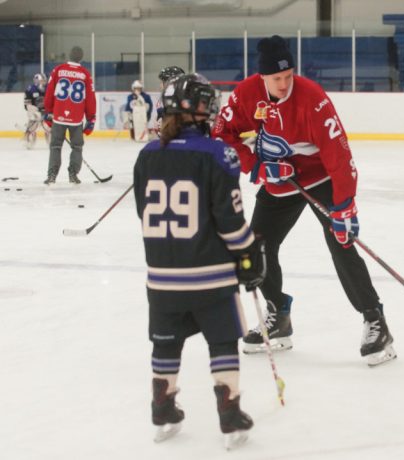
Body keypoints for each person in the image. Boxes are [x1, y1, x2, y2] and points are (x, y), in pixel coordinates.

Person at [212, 35, 396, 366]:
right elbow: (222, 137)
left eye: (289, 76)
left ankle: (375, 320)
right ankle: (278, 315)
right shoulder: (244, 94)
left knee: (340, 242)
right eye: (277, 78)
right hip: (279, 181)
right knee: (258, 246)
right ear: (262, 77)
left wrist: (345, 205)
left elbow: (338, 153)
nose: (284, 84)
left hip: (319, 177)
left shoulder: (312, 98)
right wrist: (258, 166)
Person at [133, 73, 266, 448]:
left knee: (165, 344)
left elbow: (142, 215)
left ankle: (163, 407)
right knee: (222, 342)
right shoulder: (218, 154)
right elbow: (231, 222)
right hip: (210, 277)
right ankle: (229, 413)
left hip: (161, 278)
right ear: (202, 109)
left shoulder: (146, 157)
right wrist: (249, 251)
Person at [43, 46, 96, 185]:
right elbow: (90, 98)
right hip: (76, 118)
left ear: (69, 55)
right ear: (81, 58)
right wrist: (91, 118)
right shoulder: (85, 74)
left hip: (59, 116)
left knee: (55, 146)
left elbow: (49, 93)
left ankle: (52, 175)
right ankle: (73, 174)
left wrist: (48, 111)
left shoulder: (58, 70)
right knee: (77, 147)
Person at [22, 73, 50, 148]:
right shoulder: (30, 89)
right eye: (42, 81)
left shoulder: (49, 88)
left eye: (44, 81)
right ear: (36, 81)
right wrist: (34, 111)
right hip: (36, 110)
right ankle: (29, 134)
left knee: (49, 126)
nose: (44, 83)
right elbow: (26, 105)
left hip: (47, 110)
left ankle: (50, 136)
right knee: (32, 120)